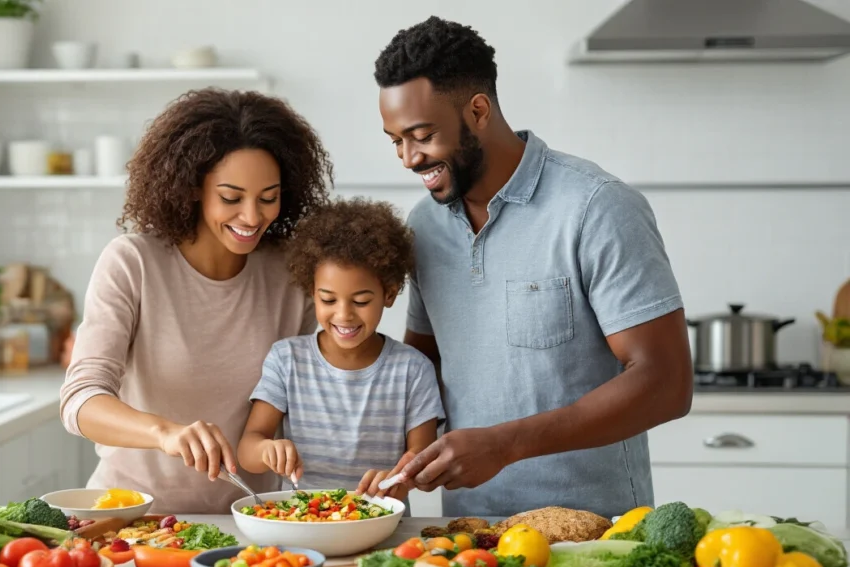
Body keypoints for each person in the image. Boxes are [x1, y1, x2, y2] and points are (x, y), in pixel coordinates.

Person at [372, 17, 694, 519]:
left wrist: (506, 445)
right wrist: (409, 454)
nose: (408, 158)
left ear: (477, 110)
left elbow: (667, 383)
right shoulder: (425, 225)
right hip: (468, 530)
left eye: (422, 136)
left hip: (597, 532)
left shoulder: (596, 208)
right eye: (395, 140)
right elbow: (423, 368)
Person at [60, 88, 334, 513]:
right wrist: (164, 433)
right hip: (134, 517)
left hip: (250, 519)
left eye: (268, 198)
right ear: (191, 188)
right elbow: (80, 401)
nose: (252, 217)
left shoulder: (290, 274)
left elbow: (297, 400)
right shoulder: (133, 262)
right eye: (231, 197)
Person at [237, 198, 445, 503]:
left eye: (360, 301)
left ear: (388, 293)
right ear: (312, 293)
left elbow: (422, 456)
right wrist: (266, 450)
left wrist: (400, 478)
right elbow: (247, 449)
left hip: (383, 525)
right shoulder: (287, 360)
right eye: (328, 300)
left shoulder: (412, 369)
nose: (344, 315)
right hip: (303, 524)